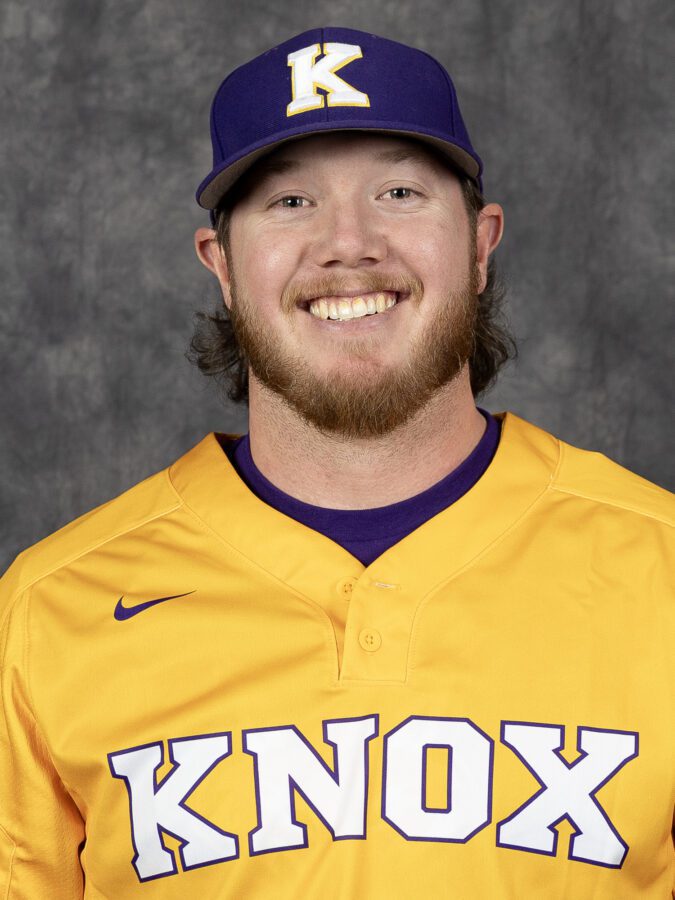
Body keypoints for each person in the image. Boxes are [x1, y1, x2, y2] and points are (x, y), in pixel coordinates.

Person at [0, 26, 672, 899]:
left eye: (398, 192)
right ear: (221, 265)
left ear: (479, 245)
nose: (348, 243)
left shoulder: (660, 568)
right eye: (290, 202)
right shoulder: (49, 608)